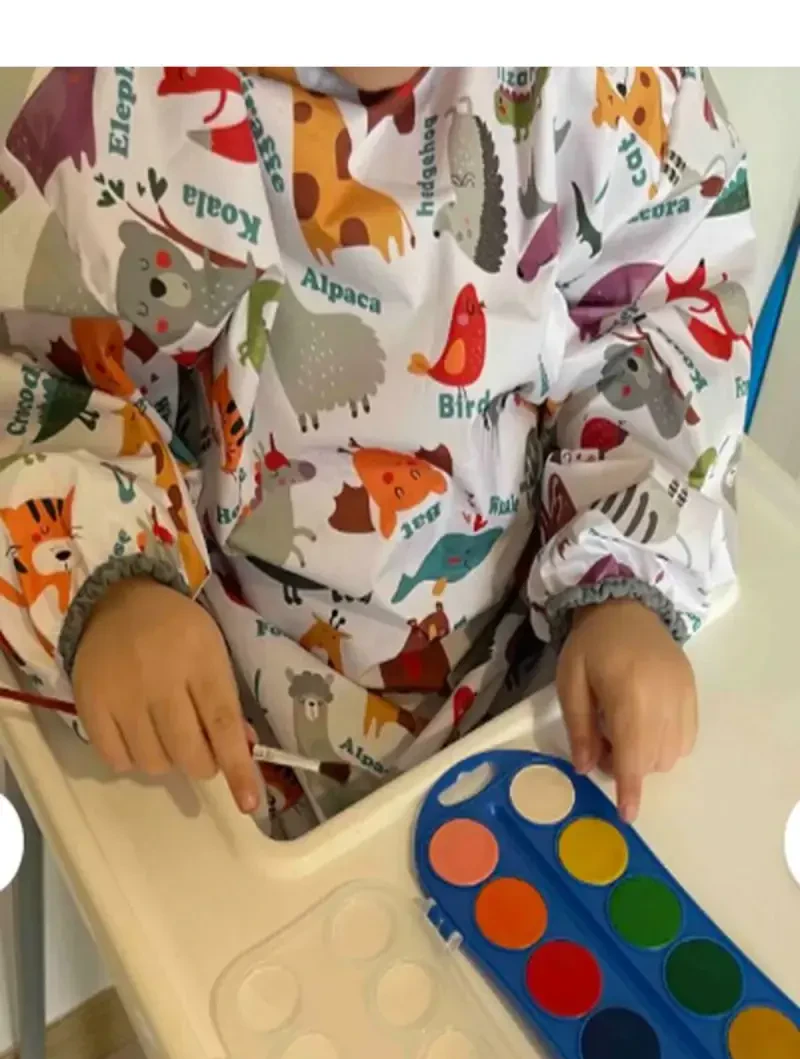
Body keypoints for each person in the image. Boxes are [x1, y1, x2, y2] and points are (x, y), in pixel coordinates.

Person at [0, 67, 754, 833]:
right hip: (222, 693)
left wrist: (624, 585)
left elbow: (663, 330)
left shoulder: (595, 77)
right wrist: (115, 588)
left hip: (531, 664)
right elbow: (45, 382)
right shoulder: (137, 85)